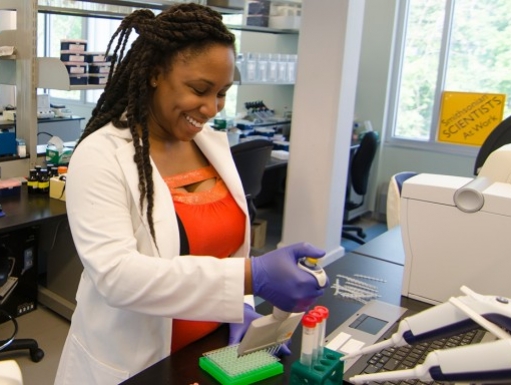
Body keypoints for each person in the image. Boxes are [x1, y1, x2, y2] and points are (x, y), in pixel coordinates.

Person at [54, 3, 328, 384]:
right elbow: (119, 276)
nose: (212, 108)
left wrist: (239, 310)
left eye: (222, 93)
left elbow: (230, 251)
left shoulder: (213, 145)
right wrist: (252, 277)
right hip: (138, 365)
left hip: (209, 353)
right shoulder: (100, 155)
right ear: (154, 74)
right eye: (200, 89)